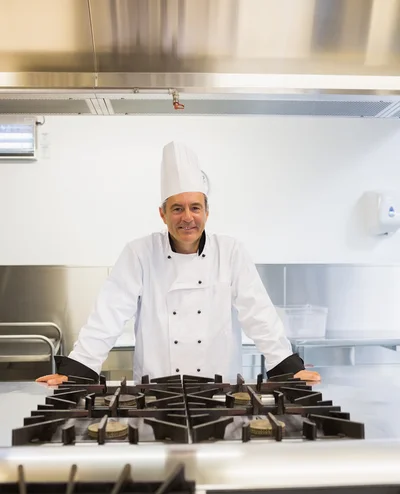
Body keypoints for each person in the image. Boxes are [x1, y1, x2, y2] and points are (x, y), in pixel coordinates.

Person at [37, 141, 320, 386]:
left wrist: (288, 368)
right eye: (177, 208)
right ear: (162, 214)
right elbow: (108, 315)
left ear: (207, 212)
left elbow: (258, 314)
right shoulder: (140, 253)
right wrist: (78, 370)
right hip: (156, 394)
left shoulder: (230, 252)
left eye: (195, 207)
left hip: (220, 394)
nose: (187, 217)